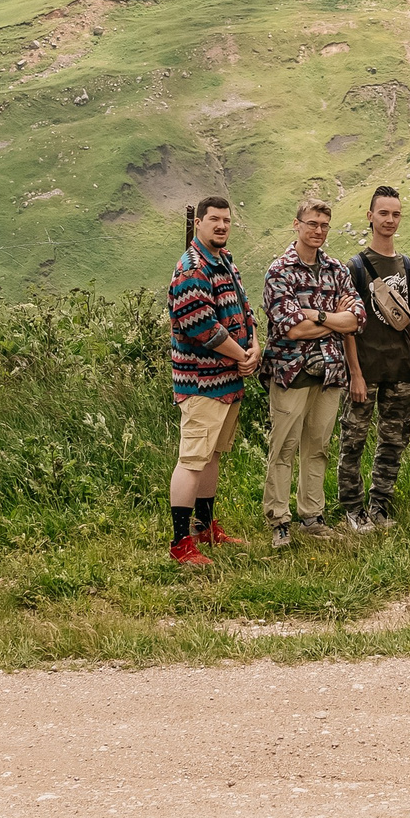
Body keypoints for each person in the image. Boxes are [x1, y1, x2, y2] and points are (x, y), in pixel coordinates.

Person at [260, 199, 362, 548]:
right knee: (284, 447)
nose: (318, 231)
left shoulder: (337, 269)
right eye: (312, 223)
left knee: (317, 447)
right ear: (297, 224)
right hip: (291, 371)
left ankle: (312, 516)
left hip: (331, 372)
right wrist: (333, 317)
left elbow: (356, 319)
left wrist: (316, 316)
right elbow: (290, 330)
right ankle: (279, 519)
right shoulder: (280, 271)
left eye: (324, 225)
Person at [165, 196, 258, 568]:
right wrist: (242, 355)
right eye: (214, 220)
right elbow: (201, 326)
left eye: (226, 220)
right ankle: (180, 541)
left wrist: (254, 347)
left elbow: (244, 309)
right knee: (191, 460)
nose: (221, 226)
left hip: (228, 382)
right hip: (202, 384)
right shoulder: (191, 269)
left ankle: (204, 527)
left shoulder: (224, 261)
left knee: (212, 456)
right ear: (199, 223)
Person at [337, 186, 410, 528]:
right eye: (383, 213)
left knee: (394, 441)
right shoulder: (355, 267)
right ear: (370, 216)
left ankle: (380, 506)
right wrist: (354, 372)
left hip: (400, 368)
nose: (389, 220)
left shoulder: (408, 266)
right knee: (353, 440)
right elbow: (347, 326)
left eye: (395, 214)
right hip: (366, 370)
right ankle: (353, 509)